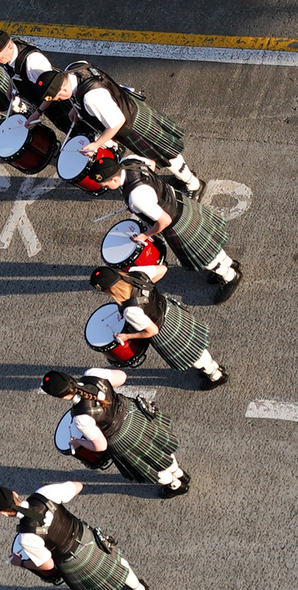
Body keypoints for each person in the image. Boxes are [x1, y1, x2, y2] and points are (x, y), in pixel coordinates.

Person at [0, 481, 153, 590]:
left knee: (104, 587)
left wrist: (20, 562)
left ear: (3, 513)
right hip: (88, 538)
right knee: (118, 563)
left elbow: (47, 565)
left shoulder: (27, 537)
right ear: (15, 493)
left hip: (73, 562)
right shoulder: (44, 494)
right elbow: (78, 486)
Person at [88, 155, 240, 303]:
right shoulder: (129, 161)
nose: (107, 188)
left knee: (203, 256)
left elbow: (164, 220)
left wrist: (145, 235)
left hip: (176, 222)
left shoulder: (137, 197)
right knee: (207, 242)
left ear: (114, 179)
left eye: (106, 185)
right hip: (179, 202)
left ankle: (230, 276)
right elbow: (151, 165)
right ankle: (228, 262)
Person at [37, 62, 203, 195]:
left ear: (63, 87)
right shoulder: (74, 68)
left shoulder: (91, 98)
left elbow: (117, 122)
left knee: (165, 154)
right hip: (130, 108)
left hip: (132, 126)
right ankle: (185, 178)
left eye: (59, 96)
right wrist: (75, 108)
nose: (58, 100)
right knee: (163, 152)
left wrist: (96, 144)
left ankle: (193, 184)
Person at [42, 369, 189, 497]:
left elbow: (101, 446)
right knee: (160, 449)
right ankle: (179, 473)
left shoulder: (80, 418)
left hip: (123, 439)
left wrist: (78, 442)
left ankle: (175, 485)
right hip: (134, 415)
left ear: (60, 397)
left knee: (149, 465)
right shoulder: (92, 374)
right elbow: (122, 377)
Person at [90, 266, 227, 389]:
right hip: (171, 312)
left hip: (165, 331)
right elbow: (163, 269)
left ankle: (215, 375)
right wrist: (151, 288)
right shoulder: (136, 274)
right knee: (195, 345)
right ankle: (212, 367)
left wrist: (127, 336)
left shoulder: (130, 310)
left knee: (193, 354)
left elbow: (152, 331)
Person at [0, 29, 72, 130]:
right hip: (43, 103)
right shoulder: (9, 56)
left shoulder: (33, 63)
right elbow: (12, 71)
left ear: (9, 47)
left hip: (59, 104)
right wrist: (11, 86)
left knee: (71, 127)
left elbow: (54, 89)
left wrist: (38, 113)